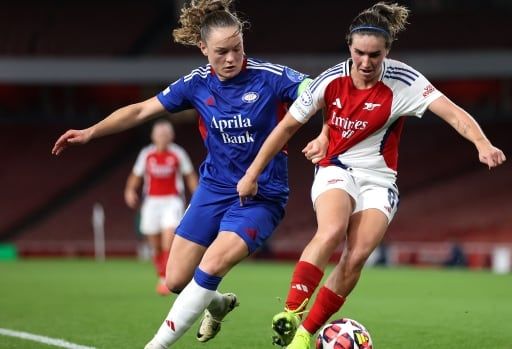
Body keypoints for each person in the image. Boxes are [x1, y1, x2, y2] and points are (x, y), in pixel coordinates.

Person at [236, 2, 506, 348]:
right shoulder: (331, 79)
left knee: (358, 254)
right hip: (336, 168)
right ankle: (291, 312)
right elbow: (286, 126)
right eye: (359, 53)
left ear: (387, 51)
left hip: (379, 180)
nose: (365, 63)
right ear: (349, 46)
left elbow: (453, 113)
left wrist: (482, 144)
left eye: (374, 55)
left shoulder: (405, 82)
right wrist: (252, 173)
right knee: (332, 229)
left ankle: (303, 338)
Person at [52, 0, 315, 347]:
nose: (232, 58)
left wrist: (322, 128)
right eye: (221, 52)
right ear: (203, 48)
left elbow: (313, 90)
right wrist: (90, 132)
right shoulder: (196, 84)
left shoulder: (270, 77)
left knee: (214, 261)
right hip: (214, 189)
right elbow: (141, 110)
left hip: (260, 195)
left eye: (237, 48)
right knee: (177, 279)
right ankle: (218, 304)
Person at [125, 120, 198, 295]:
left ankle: (168, 278)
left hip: (172, 201)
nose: (162, 137)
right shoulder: (146, 154)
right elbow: (135, 175)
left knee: (168, 240)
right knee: (155, 246)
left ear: (171, 136)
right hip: (151, 203)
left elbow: (190, 176)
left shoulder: (178, 153)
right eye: (159, 134)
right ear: (153, 136)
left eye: (166, 134)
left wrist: (197, 197)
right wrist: (129, 190)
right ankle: (162, 275)